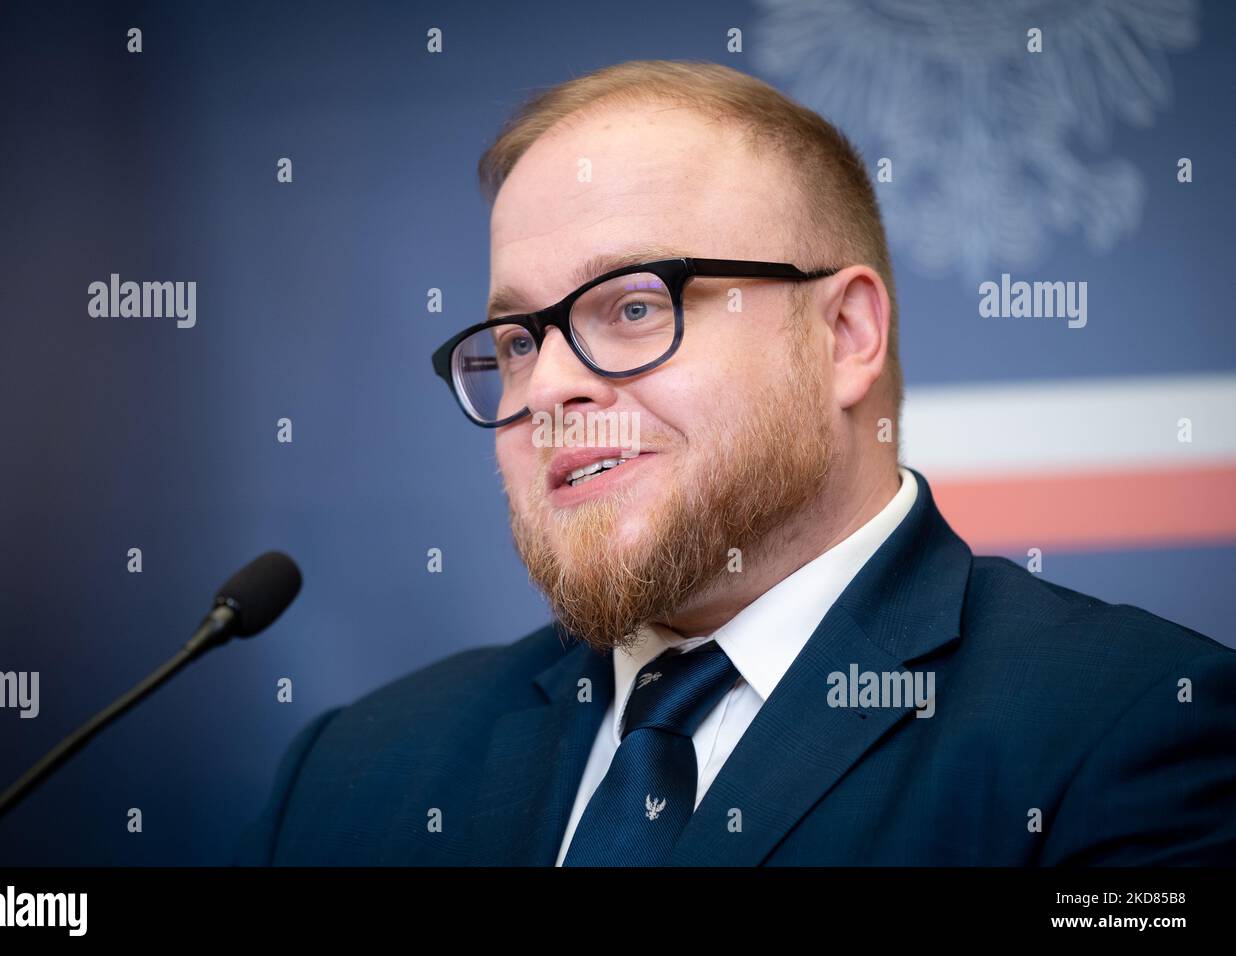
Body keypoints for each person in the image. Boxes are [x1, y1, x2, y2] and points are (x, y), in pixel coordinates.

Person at [235, 60, 1236, 866]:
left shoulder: (1133, 731)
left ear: (844, 333)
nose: (543, 392)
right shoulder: (351, 774)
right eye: (515, 341)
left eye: (630, 306)